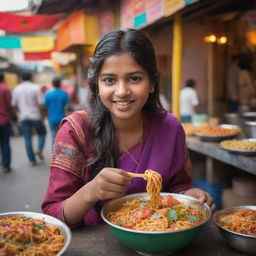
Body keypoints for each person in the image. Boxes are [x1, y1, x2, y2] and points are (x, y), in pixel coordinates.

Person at [42, 29, 215, 228]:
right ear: (96, 85)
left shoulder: (170, 127)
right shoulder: (76, 131)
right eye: (109, 80)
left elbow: (179, 185)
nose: (122, 91)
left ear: (151, 83)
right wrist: (90, 192)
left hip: (160, 238)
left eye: (134, 79)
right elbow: (52, 215)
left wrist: (190, 195)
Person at [12, 71, 46, 166]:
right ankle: (39, 149)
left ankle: (32, 160)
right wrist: (42, 115)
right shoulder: (35, 88)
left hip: (23, 117)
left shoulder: (16, 89)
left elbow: (14, 105)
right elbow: (40, 104)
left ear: (21, 78)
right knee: (42, 133)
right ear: (31, 77)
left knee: (27, 139)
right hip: (35, 116)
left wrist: (20, 112)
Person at [43, 76, 70, 143]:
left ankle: (54, 152)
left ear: (52, 84)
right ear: (60, 84)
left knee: (53, 137)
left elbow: (45, 106)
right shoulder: (64, 94)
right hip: (62, 118)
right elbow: (67, 107)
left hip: (51, 118)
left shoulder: (48, 94)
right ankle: (61, 152)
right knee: (63, 137)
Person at [0, 73, 13, 173]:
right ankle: (6, 166)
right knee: (5, 143)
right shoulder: (5, 89)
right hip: (4, 120)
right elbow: (9, 104)